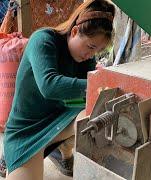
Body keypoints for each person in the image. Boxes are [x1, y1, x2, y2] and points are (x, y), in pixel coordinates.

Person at [3, 0, 115, 179]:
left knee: (93, 113)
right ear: (75, 31)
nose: (91, 54)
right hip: (27, 130)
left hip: (59, 120)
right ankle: (19, 156)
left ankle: (63, 148)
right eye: (91, 47)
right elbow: (49, 85)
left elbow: (88, 95)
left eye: (97, 51)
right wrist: (98, 84)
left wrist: (102, 87)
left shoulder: (85, 58)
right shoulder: (43, 40)